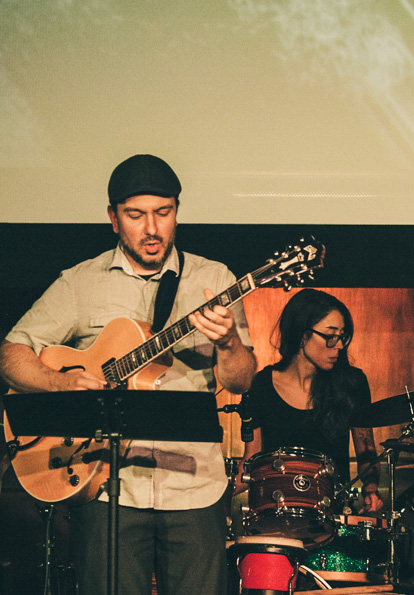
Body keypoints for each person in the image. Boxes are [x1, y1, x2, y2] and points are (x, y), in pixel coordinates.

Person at [0, 154, 257, 595]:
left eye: (164, 213)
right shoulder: (80, 283)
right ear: (113, 218)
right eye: (136, 215)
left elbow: (241, 380)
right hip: (107, 489)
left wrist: (230, 344)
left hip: (194, 486)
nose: (152, 228)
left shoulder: (215, 279)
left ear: (178, 211)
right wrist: (61, 383)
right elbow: (11, 354)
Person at [240, 288, 382, 515]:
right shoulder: (261, 385)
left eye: (342, 336)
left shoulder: (352, 383)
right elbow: (251, 459)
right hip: (275, 516)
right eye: (330, 336)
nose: (339, 345)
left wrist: (371, 489)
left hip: (332, 516)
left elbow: (366, 449)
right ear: (301, 335)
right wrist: (219, 495)